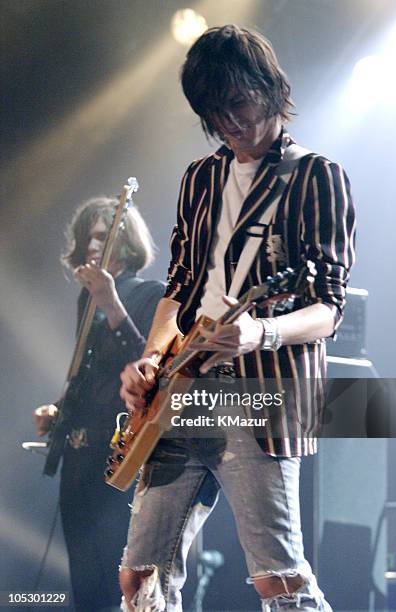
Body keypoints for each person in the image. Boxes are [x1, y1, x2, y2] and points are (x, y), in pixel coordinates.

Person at [119, 25, 356, 612]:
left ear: (270, 88)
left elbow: (329, 307)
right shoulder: (200, 178)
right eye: (212, 110)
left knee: (280, 583)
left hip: (261, 391)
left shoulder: (316, 176)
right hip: (183, 386)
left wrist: (262, 331)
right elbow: (179, 288)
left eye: (238, 102)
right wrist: (151, 357)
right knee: (140, 580)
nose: (228, 120)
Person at [34, 196, 164, 612]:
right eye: (86, 237)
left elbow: (149, 368)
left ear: (126, 243)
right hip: (77, 451)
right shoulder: (84, 300)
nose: (91, 245)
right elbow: (91, 371)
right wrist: (58, 408)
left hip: (118, 452)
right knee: (83, 579)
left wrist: (111, 305)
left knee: (115, 572)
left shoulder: (150, 294)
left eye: (101, 236)